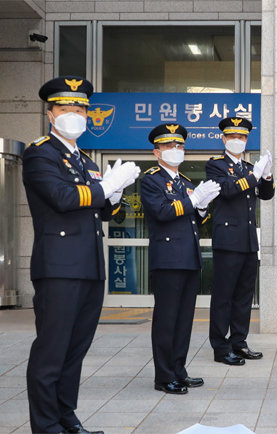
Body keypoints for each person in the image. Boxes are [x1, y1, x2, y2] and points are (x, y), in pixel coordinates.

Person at [23, 76, 140, 434]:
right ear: (50, 113)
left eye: (80, 108)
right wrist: (105, 187)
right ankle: (46, 426)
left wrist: (114, 196)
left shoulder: (85, 161)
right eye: (66, 107)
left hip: (89, 266)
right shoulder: (40, 153)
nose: (74, 113)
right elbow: (61, 198)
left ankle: (65, 418)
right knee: (52, 352)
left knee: (74, 352)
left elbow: (101, 212)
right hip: (59, 267)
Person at [141, 123, 221, 394]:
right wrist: (192, 201)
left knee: (184, 319)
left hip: (188, 257)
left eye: (179, 145)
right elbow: (162, 212)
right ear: (156, 152)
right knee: (167, 319)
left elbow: (197, 221)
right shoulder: (151, 179)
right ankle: (164, 376)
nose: (175, 150)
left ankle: (179, 370)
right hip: (167, 259)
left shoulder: (186, 183)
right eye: (168, 145)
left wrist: (201, 206)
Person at [206, 117, 274, 366]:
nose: (238, 141)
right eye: (233, 137)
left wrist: (266, 176)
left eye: (242, 137)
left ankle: (239, 342)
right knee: (224, 295)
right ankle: (220, 347)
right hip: (227, 239)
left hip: (247, 240)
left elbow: (266, 196)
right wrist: (254, 176)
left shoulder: (248, 167)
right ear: (223, 139)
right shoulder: (216, 166)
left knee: (244, 296)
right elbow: (226, 190)